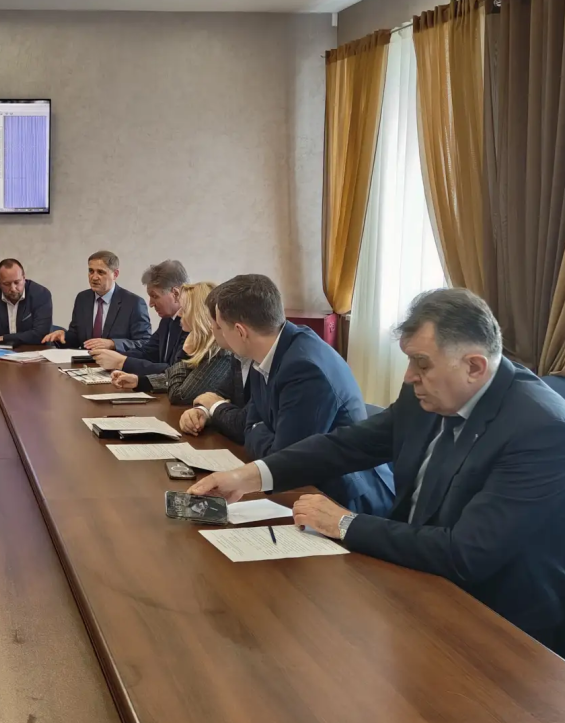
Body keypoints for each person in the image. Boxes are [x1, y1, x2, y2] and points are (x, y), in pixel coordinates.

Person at [192, 288, 565, 654]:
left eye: (421, 363)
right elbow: (346, 445)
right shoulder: (428, 394)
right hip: (412, 580)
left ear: (474, 366)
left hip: (497, 626)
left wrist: (343, 523)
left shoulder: (541, 428)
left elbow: (465, 553)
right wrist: (248, 476)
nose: (409, 376)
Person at [206, 274, 393, 514]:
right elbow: (249, 426)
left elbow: (283, 458)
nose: (220, 335)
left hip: (344, 501)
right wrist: (259, 431)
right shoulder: (266, 352)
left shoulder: (304, 368)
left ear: (241, 332)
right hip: (303, 488)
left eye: (221, 328)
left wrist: (258, 431)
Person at [109, 282, 236, 404]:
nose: (179, 314)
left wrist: (184, 352)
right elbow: (179, 378)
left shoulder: (219, 352)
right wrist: (140, 381)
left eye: (184, 309)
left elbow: (179, 394)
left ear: (198, 314)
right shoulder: (205, 345)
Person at [178, 284, 252, 440]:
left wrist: (214, 406)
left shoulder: (226, 353)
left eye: (215, 324)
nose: (211, 328)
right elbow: (222, 395)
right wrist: (201, 412)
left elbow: (246, 424)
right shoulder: (238, 355)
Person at [90, 260, 189, 373]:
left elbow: (175, 372)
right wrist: (112, 356)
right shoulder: (167, 320)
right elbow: (147, 353)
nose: (150, 304)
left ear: (175, 293)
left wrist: (122, 362)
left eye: (155, 296)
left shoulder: (192, 324)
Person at [41, 250, 151, 349]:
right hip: (84, 362)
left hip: (116, 363)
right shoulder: (83, 298)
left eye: (100, 272)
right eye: (91, 271)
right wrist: (63, 336)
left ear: (115, 274)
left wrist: (113, 344)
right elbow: (76, 338)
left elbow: (144, 343)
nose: (94, 277)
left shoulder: (133, 303)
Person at [0, 259, 53, 348]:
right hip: (0, 353)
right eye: (6, 284)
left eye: (17, 282)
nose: (13, 288)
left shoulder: (40, 294)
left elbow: (41, 333)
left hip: (34, 351)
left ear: (24, 278)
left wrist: (3, 338)